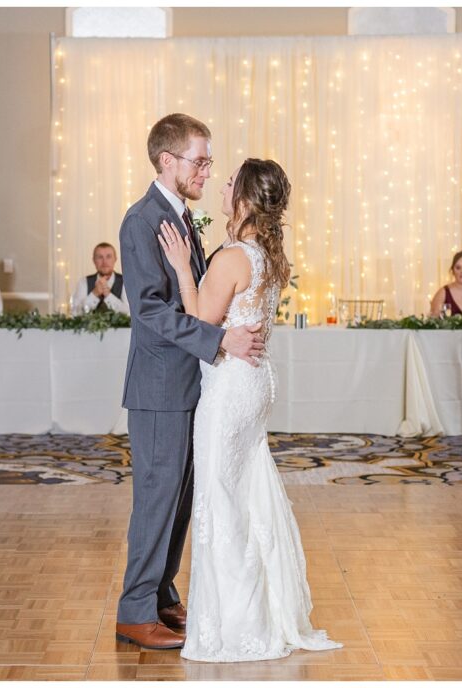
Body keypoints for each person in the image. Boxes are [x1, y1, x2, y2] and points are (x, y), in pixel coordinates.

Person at [158, 158, 341, 662]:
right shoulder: (265, 255)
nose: (220, 185)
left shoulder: (232, 257)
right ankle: (261, 609)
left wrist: (179, 268)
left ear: (243, 199)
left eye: (230, 182)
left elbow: (199, 322)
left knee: (220, 501)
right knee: (246, 495)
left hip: (230, 391)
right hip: (255, 386)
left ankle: (240, 624)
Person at [115, 113, 265, 651]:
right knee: (157, 495)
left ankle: (159, 594)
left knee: (180, 496)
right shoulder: (142, 220)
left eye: (208, 161)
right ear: (166, 161)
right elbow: (150, 311)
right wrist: (219, 341)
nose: (207, 170)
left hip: (190, 384)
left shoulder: (180, 215)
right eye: (198, 161)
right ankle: (134, 610)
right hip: (159, 386)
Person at [70, 242, 130, 315]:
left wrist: (108, 295)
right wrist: (94, 294)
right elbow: (75, 313)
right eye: (100, 257)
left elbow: (129, 313)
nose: (104, 262)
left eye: (108, 256)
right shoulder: (84, 282)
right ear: (94, 260)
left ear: (115, 259)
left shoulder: (126, 281)